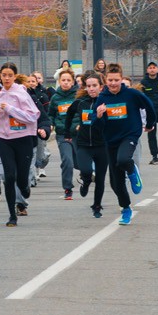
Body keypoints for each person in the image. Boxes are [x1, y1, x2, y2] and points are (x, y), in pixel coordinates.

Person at [95, 63, 156, 227]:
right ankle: (126, 208)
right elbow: (95, 124)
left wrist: (150, 123)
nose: (113, 83)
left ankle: (132, 170)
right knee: (115, 182)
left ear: (121, 79)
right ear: (105, 80)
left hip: (129, 135)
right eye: (110, 80)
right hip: (110, 140)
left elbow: (149, 106)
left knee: (123, 160)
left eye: (116, 80)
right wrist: (99, 116)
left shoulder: (132, 94)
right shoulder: (102, 98)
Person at [0, 73, 40, 227]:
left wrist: (11, 109)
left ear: (14, 77)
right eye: (3, 75)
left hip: (23, 138)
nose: (6, 78)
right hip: (4, 139)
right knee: (9, 176)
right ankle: (12, 216)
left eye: (9, 75)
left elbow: (33, 117)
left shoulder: (23, 95)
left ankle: (25, 188)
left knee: (22, 179)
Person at [63, 72, 106, 218]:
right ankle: (86, 182)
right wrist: (67, 133)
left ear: (101, 87)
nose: (92, 89)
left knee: (100, 178)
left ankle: (97, 205)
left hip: (102, 145)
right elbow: (69, 114)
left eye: (95, 86)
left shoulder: (106, 102)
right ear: (85, 87)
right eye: (89, 86)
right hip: (84, 144)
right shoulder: (80, 103)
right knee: (86, 170)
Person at [49, 69, 80, 200]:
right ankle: (68, 188)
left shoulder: (78, 96)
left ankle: (86, 176)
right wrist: (50, 124)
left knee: (79, 163)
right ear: (59, 82)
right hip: (63, 134)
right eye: (63, 80)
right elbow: (50, 114)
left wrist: (82, 124)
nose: (66, 83)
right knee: (67, 160)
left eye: (68, 80)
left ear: (73, 82)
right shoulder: (55, 98)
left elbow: (84, 111)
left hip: (78, 133)